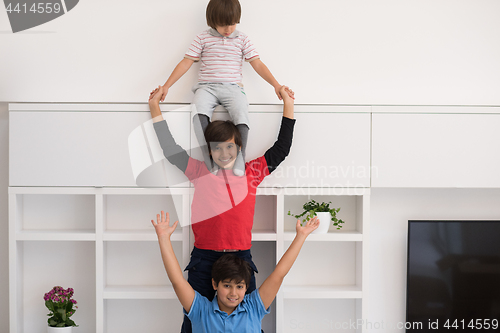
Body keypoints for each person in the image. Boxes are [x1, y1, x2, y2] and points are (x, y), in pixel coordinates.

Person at [148, 84, 295, 333]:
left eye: (229, 147)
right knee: (194, 321)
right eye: (216, 147)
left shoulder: (252, 171)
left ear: (239, 147)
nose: (223, 153)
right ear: (209, 150)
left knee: (248, 319)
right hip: (204, 259)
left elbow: (281, 149)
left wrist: (288, 105)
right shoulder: (200, 171)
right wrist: (155, 109)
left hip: (241, 259)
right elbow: (171, 151)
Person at [149, 0, 293, 176]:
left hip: (233, 87)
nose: (228, 29)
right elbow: (186, 62)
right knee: (198, 113)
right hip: (206, 87)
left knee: (241, 111)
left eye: (232, 24)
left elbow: (257, 64)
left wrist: (276, 85)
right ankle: (209, 159)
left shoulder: (242, 39)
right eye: (223, 25)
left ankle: (240, 155)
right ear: (211, 21)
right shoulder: (202, 38)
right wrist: (166, 86)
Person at [151, 211, 319, 333]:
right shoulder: (201, 311)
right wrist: (163, 238)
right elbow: (177, 281)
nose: (233, 293)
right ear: (214, 284)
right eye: (227, 285)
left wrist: (301, 236)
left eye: (239, 287)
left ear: (246, 288)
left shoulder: (253, 307)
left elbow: (279, 274)